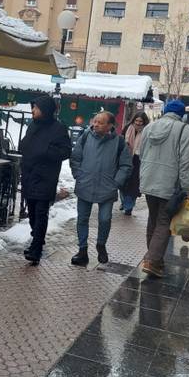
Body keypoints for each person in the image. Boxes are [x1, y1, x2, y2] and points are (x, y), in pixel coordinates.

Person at [138, 100, 189, 278]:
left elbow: (141, 153)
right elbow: (186, 163)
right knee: (164, 222)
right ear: (182, 114)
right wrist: (187, 188)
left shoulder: (149, 128)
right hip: (170, 184)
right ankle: (152, 260)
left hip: (149, 179)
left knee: (153, 220)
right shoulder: (186, 131)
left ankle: (156, 261)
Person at [69, 111, 132, 266]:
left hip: (107, 187)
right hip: (85, 184)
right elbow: (75, 158)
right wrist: (79, 175)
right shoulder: (85, 136)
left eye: (100, 122)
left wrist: (116, 182)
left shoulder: (119, 142)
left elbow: (126, 165)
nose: (95, 124)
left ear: (110, 125)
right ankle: (82, 250)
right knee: (82, 219)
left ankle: (101, 244)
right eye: (95, 121)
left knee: (105, 219)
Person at [19, 95, 72, 264]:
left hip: (45, 177)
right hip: (29, 175)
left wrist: (45, 151)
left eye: (36, 108)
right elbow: (26, 145)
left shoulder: (58, 128)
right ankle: (37, 239)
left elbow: (65, 151)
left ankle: (36, 249)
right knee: (33, 214)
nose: (33, 110)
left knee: (41, 213)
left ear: (46, 110)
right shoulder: (33, 125)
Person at [119, 112, 150, 216]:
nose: (138, 123)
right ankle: (124, 202)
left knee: (134, 185)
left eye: (140, 121)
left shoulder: (147, 131)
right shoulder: (128, 128)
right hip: (126, 158)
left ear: (144, 122)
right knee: (123, 182)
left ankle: (129, 206)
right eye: (136, 121)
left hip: (139, 160)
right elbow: (121, 141)